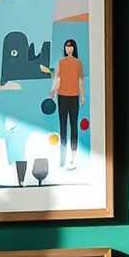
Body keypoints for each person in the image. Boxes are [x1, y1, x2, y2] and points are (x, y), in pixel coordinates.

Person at [52, 38, 84, 169]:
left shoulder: (78, 63)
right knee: (63, 127)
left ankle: (73, 157)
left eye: (70, 46)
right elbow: (57, 79)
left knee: (74, 126)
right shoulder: (61, 62)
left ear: (74, 48)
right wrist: (53, 91)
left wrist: (82, 96)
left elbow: (80, 80)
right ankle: (62, 156)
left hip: (74, 96)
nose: (68, 49)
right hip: (62, 97)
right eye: (67, 46)